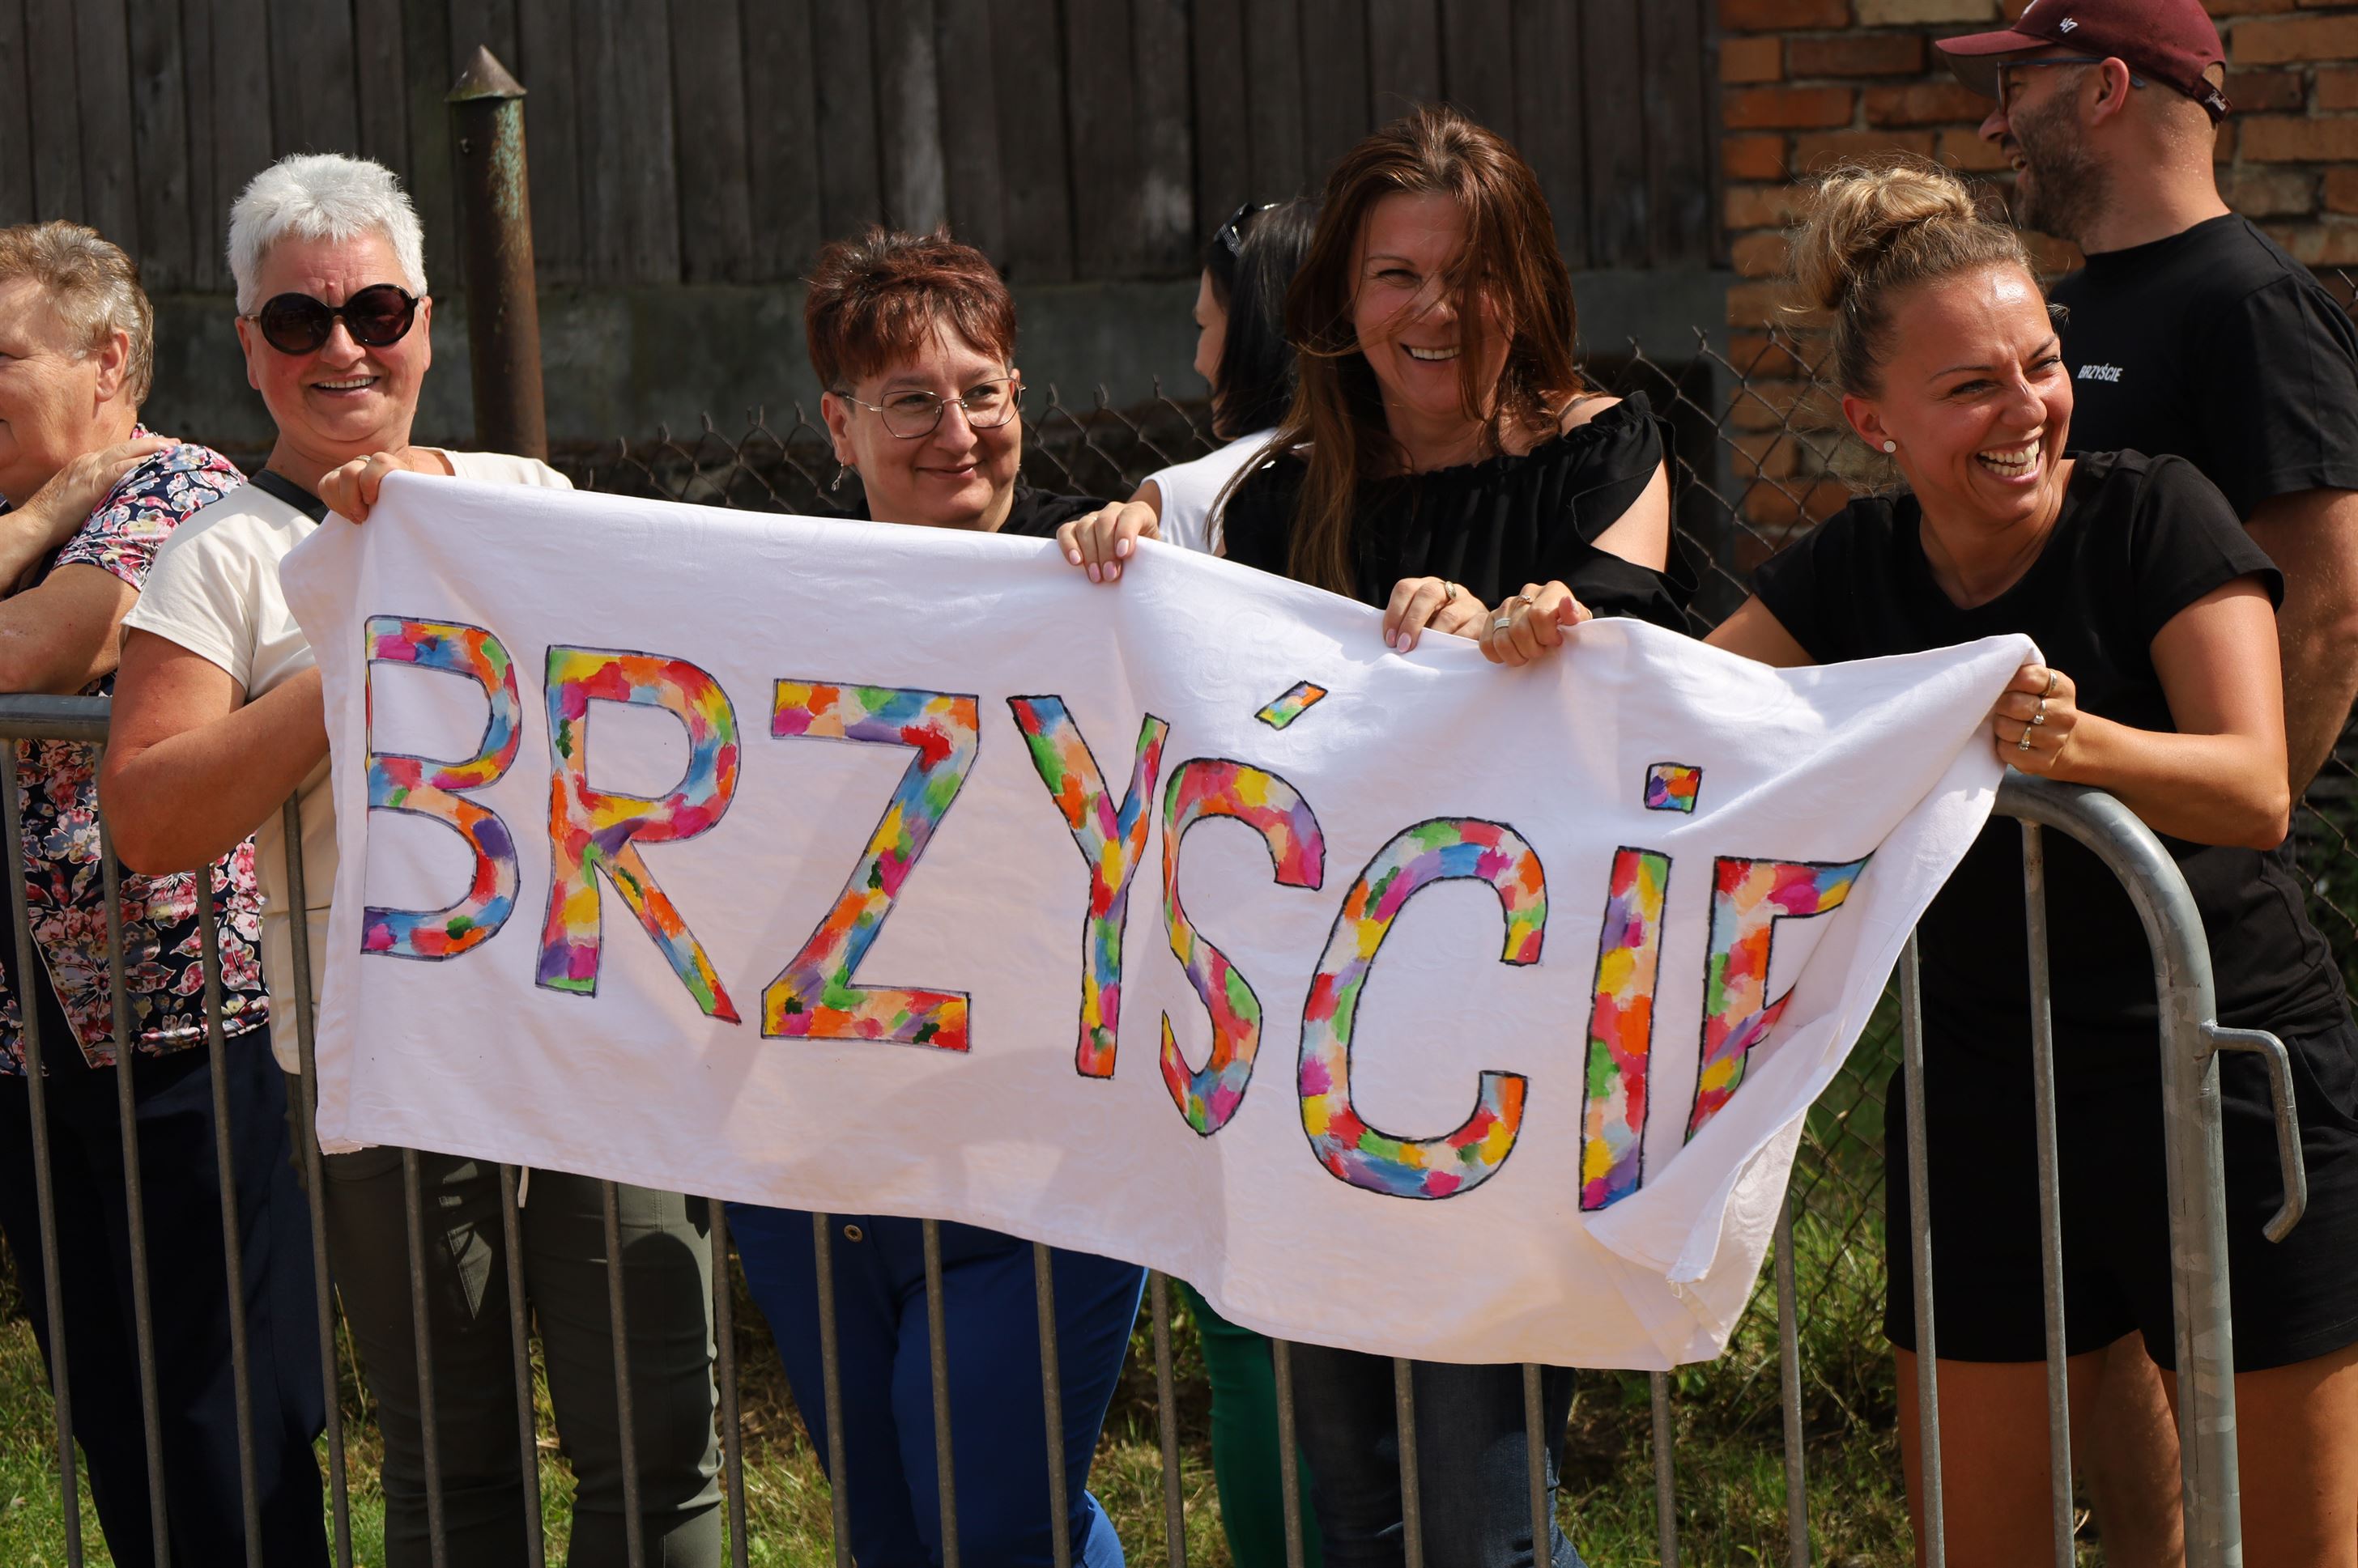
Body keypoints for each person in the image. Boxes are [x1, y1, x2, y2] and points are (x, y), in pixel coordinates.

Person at [1494, 156, 2358, 1568]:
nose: (2027, 411)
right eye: (1970, 386)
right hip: (1984, 1088)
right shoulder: (1854, 567)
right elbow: (1681, 725)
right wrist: (1547, 639)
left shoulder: (2155, 512)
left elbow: (2254, 785)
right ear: (1871, 421)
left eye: (2041, 365)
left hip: (2223, 1073)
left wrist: (2079, 747)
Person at [1068, 104, 1685, 1568]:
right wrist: (1111, 555)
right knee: (1349, 1503)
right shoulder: (1280, 494)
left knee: (1482, 1518)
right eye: (1397, 275)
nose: (1434, 311)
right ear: (1342, 299)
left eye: (1470, 275)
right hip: (1313, 1057)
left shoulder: (1604, 448)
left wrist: (1517, 629)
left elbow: (1631, 653)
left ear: (1526, 288)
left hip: (1504, 1058)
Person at [96, 153, 724, 1567]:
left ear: (425, 325)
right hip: (383, 1062)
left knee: (659, 1449)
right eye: (300, 318)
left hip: (593, 1024)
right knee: (454, 1464)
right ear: (247, 345)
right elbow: (147, 816)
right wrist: (359, 647)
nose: (344, 347)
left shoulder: (527, 494)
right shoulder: (217, 559)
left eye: (375, 309)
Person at [1939, 5, 2358, 1553]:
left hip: (2186, 940)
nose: (1993, 123)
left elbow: (2328, 606)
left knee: (2235, 1353)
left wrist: (2203, 842)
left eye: (2017, 84)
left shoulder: (2248, 306)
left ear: (2107, 85)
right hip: (2042, 949)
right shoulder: (2052, 313)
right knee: (2098, 1316)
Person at [720, 225, 1151, 1568]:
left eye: (983, 392)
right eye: (911, 400)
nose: (956, 432)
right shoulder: (747, 607)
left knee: (996, 1523)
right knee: (896, 1532)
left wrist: (1160, 553)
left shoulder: (1122, 594)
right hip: (814, 1165)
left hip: (1036, 1162)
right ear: (838, 425)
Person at [0, 219, 326, 1567]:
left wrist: (48, 524)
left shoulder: (177, 491)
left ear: (110, 360)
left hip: (183, 1023)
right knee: (110, 1409)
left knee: (219, 1411)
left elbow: (34, 649)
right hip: (31, 1043)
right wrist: (34, 516)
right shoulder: (34, 515)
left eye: (3, 354)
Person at [1127, 197, 1319, 560]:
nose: (1198, 362)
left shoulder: (1173, 501)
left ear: (1251, 334)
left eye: (1203, 326)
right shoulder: (1400, 472)